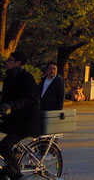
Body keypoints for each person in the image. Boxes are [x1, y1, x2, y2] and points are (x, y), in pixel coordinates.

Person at [0, 52, 41, 180]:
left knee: (4, 145)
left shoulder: (27, 78)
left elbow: (29, 99)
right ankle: (9, 165)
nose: (6, 62)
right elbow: (4, 98)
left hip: (26, 121)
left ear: (18, 63)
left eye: (9, 60)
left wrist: (12, 105)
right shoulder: (8, 78)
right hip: (14, 119)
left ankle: (17, 174)